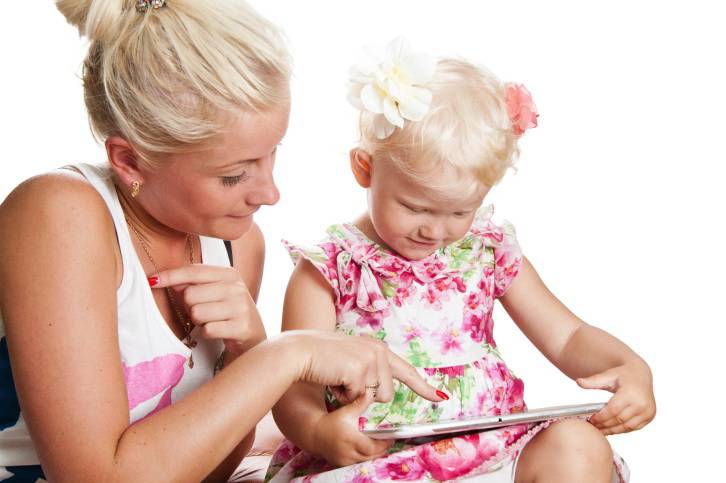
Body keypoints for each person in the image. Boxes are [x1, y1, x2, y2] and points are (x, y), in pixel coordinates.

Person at [0, 3, 445, 482]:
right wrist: (282, 356)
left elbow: (206, 472)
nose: (270, 193)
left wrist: (248, 352)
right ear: (129, 160)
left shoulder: (238, 246)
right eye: (234, 175)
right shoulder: (58, 214)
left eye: (272, 154)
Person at [266, 38, 656, 482]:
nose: (435, 230)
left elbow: (567, 337)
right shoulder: (330, 270)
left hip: (491, 451)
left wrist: (629, 368)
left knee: (579, 444)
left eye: (459, 211)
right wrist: (318, 430)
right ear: (365, 169)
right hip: (380, 462)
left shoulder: (484, 250)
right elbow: (293, 385)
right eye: (415, 208)